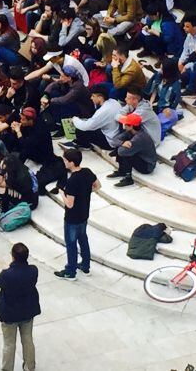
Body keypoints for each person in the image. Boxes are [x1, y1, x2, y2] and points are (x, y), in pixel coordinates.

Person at [54, 149, 100, 280]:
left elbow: (69, 204)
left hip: (72, 218)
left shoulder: (72, 181)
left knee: (71, 244)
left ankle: (70, 271)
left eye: (65, 160)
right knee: (83, 239)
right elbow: (97, 186)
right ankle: (85, 266)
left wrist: (62, 192)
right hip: (84, 214)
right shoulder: (87, 172)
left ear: (71, 162)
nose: (64, 162)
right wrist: (85, 193)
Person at [0, 242, 40, 371]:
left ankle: (7, 369)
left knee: (9, 344)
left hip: (9, 313)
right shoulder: (33, 270)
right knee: (28, 340)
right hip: (27, 311)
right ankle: (29, 366)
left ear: (13, 256)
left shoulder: (6, 275)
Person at [63, 83, 122, 150]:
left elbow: (86, 126)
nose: (91, 98)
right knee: (87, 121)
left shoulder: (103, 111)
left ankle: (82, 145)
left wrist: (75, 119)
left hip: (109, 142)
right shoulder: (114, 102)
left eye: (93, 96)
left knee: (80, 129)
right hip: (115, 136)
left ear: (100, 97)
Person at [108, 112, 157, 188]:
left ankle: (128, 179)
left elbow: (121, 152)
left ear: (131, 126)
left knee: (125, 152)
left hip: (147, 166)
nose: (123, 125)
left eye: (126, 123)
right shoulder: (131, 132)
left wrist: (121, 144)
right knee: (123, 146)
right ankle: (122, 171)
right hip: (141, 158)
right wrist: (123, 142)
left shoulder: (139, 138)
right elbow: (114, 140)